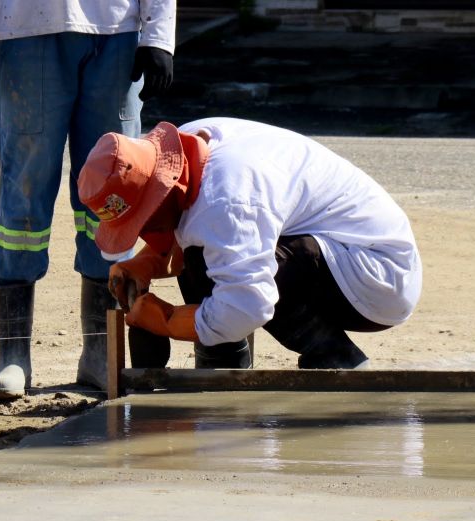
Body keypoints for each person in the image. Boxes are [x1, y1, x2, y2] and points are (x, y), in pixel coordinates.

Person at [0, 1, 176, 398]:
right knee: (25, 188)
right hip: (27, 31)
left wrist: (158, 34)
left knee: (112, 192)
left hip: (115, 33)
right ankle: (13, 355)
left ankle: (99, 351)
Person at [77, 118, 422, 370]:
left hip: (377, 276)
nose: (143, 232)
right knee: (205, 256)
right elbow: (191, 222)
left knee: (231, 273)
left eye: (144, 222)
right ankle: (221, 365)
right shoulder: (186, 148)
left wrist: (167, 321)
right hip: (341, 246)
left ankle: (335, 357)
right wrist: (149, 261)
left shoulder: (230, 199)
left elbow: (249, 304)